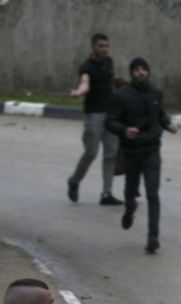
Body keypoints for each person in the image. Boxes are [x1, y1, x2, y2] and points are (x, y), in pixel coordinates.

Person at [106, 57, 178, 254]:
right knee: (130, 191)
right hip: (131, 151)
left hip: (152, 149)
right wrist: (124, 130)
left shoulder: (156, 93)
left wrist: (168, 124)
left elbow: (160, 115)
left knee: (153, 193)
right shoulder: (121, 95)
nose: (141, 72)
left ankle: (153, 236)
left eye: (144, 69)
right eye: (136, 69)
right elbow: (110, 121)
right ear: (131, 73)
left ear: (148, 72)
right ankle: (130, 210)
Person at [67, 33, 122, 206]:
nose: (104, 49)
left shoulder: (108, 62)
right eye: (100, 46)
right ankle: (74, 181)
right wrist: (79, 92)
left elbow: (113, 78)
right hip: (93, 115)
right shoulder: (87, 66)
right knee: (91, 153)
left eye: (106, 46)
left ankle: (106, 193)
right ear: (92, 47)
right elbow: (85, 83)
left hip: (110, 114)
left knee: (111, 153)